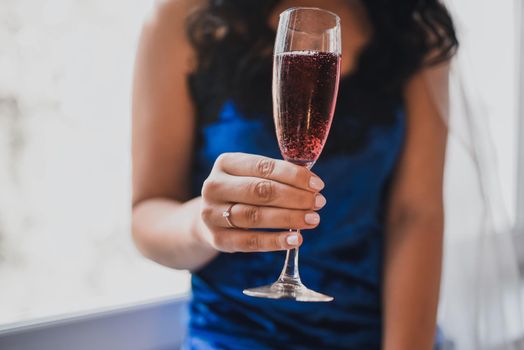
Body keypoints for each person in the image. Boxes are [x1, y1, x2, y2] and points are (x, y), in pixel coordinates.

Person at [131, 0, 458, 348]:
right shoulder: (182, 17)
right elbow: (147, 214)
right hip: (232, 335)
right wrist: (202, 223)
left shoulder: (412, 23)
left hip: (369, 335)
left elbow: (415, 214)